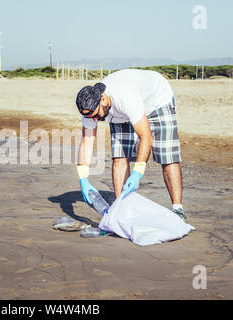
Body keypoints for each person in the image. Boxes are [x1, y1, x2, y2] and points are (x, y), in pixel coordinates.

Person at [75, 69, 187, 220]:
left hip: (157, 101)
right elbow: (87, 141)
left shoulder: (125, 97)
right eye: (90, 117)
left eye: (96, 116)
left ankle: (178, 210)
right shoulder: (90, 108)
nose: (94, 120)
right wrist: (83, 178)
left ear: (103, 100)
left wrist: (137, 172)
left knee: (167, 155)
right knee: (119, 156)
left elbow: (145, 136)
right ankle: (123, 209)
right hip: (121, 113)